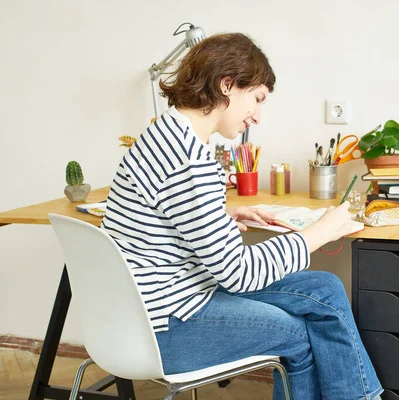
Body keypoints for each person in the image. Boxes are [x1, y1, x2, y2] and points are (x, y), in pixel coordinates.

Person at [101, 32, 383, 400]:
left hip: (155, 306)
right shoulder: (188, 159)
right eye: (257, 99)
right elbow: (239, 274)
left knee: (324, 288)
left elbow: (171, 216)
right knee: (301, 333)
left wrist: (224, 215)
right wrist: (319, 233)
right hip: (165, 328)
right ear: (227, 85)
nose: (258, 116)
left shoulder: (163, 137)